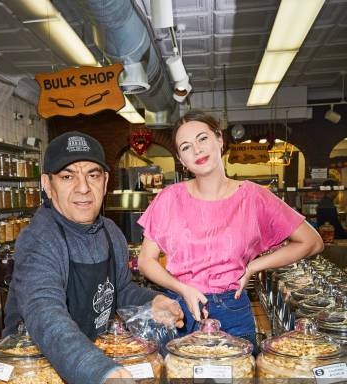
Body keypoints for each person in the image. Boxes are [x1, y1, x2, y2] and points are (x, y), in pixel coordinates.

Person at [4, 130, 183, 384]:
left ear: (106, 181)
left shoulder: (111, 231)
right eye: (67, 176)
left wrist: (152, 302)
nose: (83, 187)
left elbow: (119, 290)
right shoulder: (39, 238)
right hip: (43, 376)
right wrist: (100, 373)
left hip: (94, 361)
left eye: (93, 174)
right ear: (47, 184)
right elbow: (46, 316)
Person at [138, 110, 323, 346]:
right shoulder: (168, 199)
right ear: (181, 160)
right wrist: (181, 288)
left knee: (237, 383)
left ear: (219, 139)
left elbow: (312, 242)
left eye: (203, 139)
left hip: (232, 310)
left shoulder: (254, 197)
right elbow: (145, 261)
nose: (197, 150)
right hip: (180, 312)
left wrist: (253, 266)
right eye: (186, 147)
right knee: (182, 382)